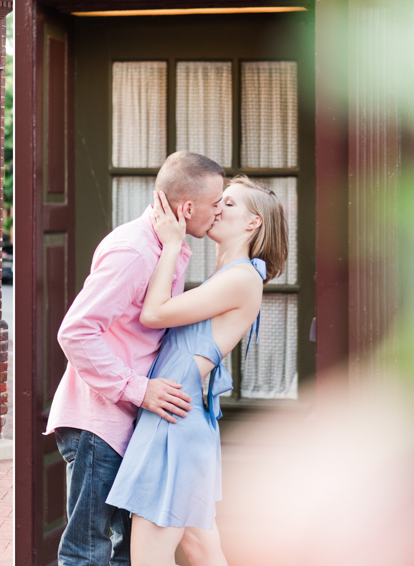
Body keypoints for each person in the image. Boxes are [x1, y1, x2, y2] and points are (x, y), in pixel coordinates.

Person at [46, 151, 226, 565]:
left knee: (127, 553)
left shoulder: (168, 248)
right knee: (87, 553)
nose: (219, 212)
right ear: (187, 207)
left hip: (131, 426)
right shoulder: (134, 251)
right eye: (216, 203)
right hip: (100, 427)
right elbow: (75, 331)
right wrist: (140, 390)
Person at [106, 176, 288, 566]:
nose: (217, 208)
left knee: (150, 560)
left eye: (229, 204)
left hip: (174, 424)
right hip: (182, 419)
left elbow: (153, 314)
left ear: (253, 223)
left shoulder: (241, 277)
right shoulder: (231, 276)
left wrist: (172, 244)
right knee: (204, 551)